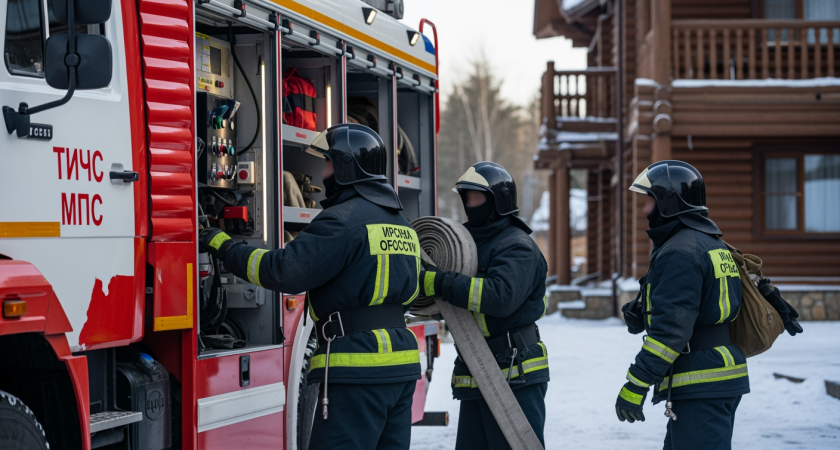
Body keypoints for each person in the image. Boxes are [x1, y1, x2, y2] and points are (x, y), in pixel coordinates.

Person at [199, 124, 422, 450]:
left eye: (328, 163)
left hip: (356, 369)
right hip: (401, 366)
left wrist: (223, 245)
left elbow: (283, 271)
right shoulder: (401, 224)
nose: (323, 173)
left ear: (347, 167)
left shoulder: (341, 221)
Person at [615, 160, 749, 450]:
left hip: (701, 379)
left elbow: (670, 332)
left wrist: (636, 383)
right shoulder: (711, 242)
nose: (644, 210)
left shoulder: (680, 252)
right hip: (716, 374)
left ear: (668, 202)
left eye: (649, 201)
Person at [419, 162, 549, 450]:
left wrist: (440, 284)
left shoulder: (517, 247)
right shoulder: (470, 245)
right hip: (479, 371)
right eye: (466, 198)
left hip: (515, 374)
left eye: (476, 198)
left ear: (497, 201)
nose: (469, 205)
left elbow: (499, 298)